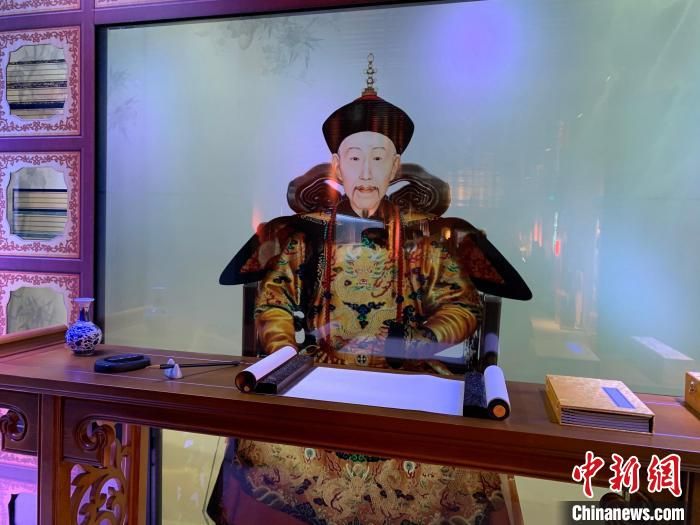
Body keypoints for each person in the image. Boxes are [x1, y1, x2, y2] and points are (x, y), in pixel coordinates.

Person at [209, 58, 530, 525]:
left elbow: (461, 306)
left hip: (407, 374)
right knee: (265, 443)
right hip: (321, 372)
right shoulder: (306, 235)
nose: (365, 171)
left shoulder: (427, 237)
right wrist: (284, 354)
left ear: (395, 166)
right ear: (337, 164)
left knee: (455, 458)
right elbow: (274, 300)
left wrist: (417, 342)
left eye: (378, 158)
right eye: (354, 157)